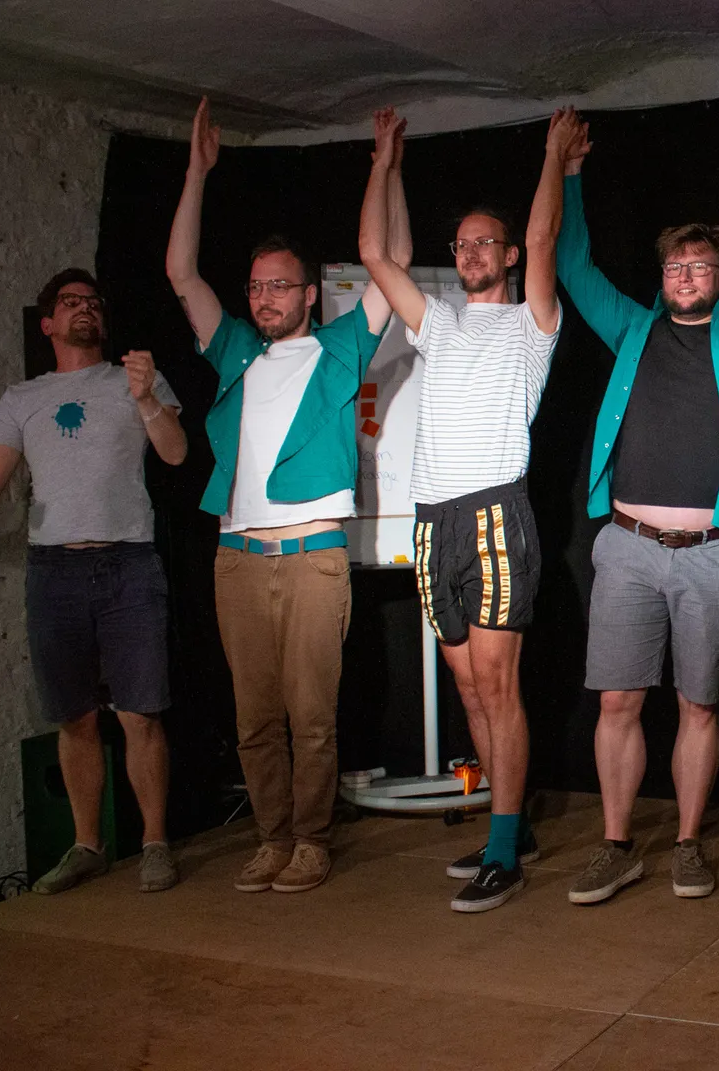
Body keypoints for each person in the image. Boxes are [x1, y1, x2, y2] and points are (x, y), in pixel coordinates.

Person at [555, 118, 719, 906]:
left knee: (699, 703)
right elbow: (571, 265)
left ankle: (685, 842)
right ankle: (616, 845)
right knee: (617, 700)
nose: (686, 274)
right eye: (675, 264)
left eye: (702, 263)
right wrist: (568, 174)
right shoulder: (633, 328)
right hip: (628, 547)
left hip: (715, 548)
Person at [165, 97, 399, 895]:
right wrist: (197, 173)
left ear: (308, 295)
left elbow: (384, 265)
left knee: (312, 716)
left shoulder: (339, 349)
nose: (264, 298)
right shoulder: (236, 351)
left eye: (279, 287)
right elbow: (181, 274)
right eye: (256, 286)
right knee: (254, 718)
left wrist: (382, 166)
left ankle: (311, 839)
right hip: (237, 557)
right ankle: (270, 838)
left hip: (311, 558)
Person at [356, 104, 581, 912]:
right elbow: (374, 253)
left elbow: (547, 241)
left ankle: (504, 850)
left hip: (492, 514)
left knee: (496, 680)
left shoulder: (531, 323)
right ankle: (506, 828)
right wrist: (385, 161)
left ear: (508, 254)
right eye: (462, 245)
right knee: (469, 687)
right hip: (433, 522)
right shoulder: (438, 324)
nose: (473, 253)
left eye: (486, 242)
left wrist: (553, 155)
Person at [0, 269, 187, 895]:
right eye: (70, 302)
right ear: (48, 323)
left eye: (93, 301)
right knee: (74, 715)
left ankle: (155, 843)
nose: (85, 308)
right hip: (54, 570)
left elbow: (175, 452)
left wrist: (145, 398)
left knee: (140, 712)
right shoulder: (21, 397)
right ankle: (87, 846)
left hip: (127, 563)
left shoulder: (135, 378)